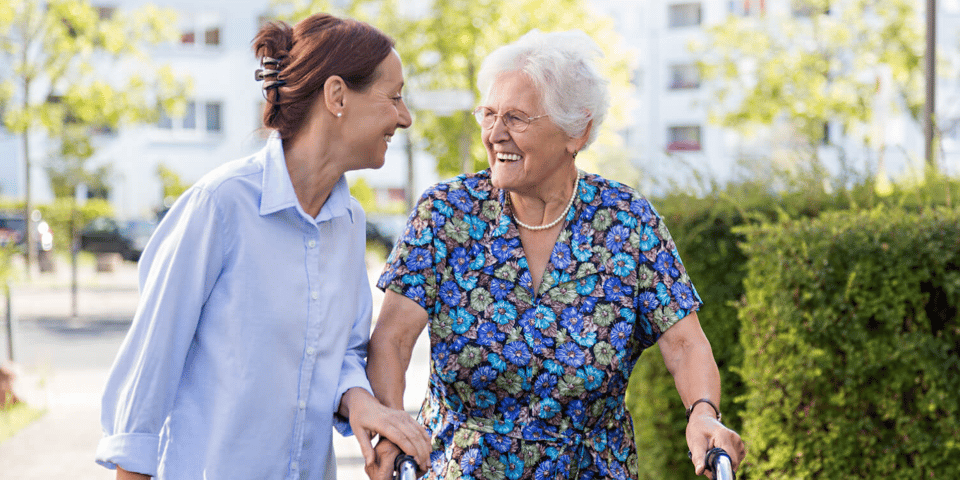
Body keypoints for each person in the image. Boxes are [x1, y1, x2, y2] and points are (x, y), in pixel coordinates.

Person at [364, 29, 746, 480]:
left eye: (517, 118)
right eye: (489, 114)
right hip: (462, 469)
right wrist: (392, 423)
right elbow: (391, 339)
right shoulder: (446, 214)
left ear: (577, 131)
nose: (495, 134)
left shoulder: (627, 222)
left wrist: (702, 411)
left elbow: (684, 342)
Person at [95, 13, 430, 480]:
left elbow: (344, 355)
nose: (405, 117)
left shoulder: (349, 222)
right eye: (393, 97)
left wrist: (360, 401)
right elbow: (150, 368)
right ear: (337, 96)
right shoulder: (220, 206)